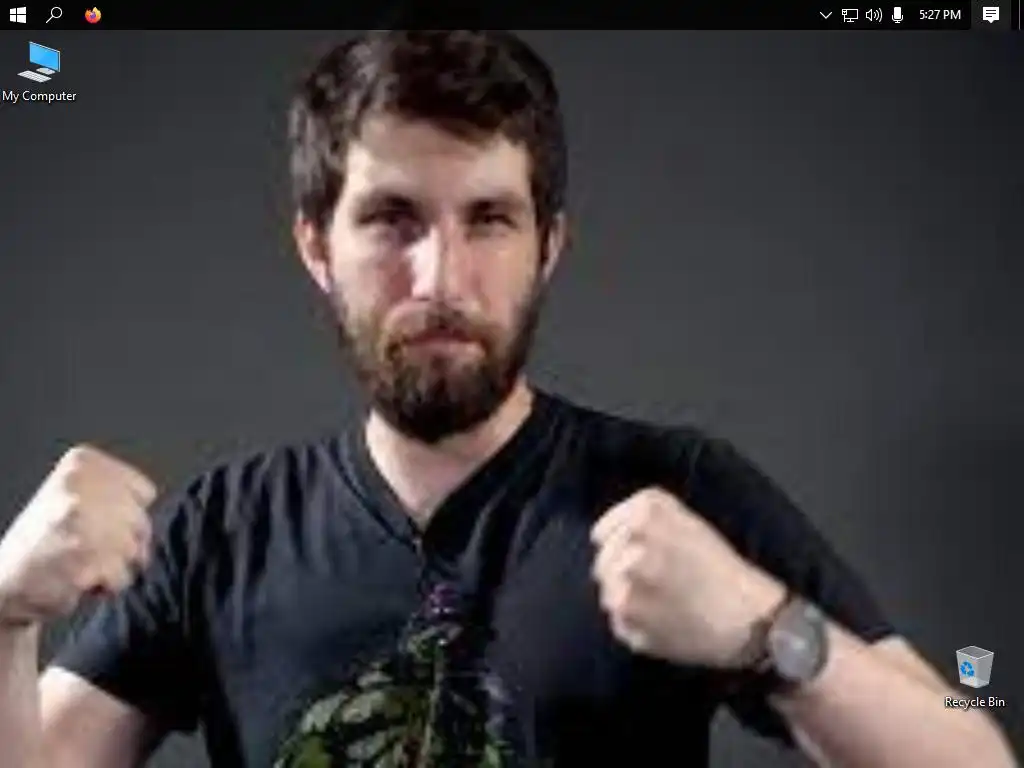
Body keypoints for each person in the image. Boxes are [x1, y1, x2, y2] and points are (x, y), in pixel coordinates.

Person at [0, 29, 1015, 768]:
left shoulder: (677, 491)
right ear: (316, 245)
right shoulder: (221, 533)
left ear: (548, 246)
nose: (442, 278)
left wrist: (763, 629)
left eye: (488, 219)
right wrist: (4, 613)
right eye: (392, 219)